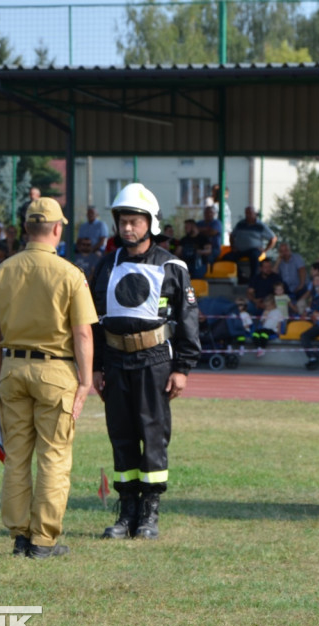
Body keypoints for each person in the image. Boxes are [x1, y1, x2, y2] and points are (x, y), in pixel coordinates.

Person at [0, 196, 97, 559]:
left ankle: (19, 536)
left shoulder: (2, 271)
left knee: (16, 457)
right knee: (54, 456)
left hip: (13, 369)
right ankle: (43, 541)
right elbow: (82, 334)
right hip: (56, 371)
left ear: (26, 229)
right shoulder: (69, 274)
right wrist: (86, 380)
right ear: (58, 229)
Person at [90, 183, 200, 541]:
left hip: (155, 361)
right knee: (121, 435)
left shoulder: (172, 265)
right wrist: (96, 367)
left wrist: (182, 368)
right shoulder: (105, 266)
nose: (127, 228)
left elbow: (187, 319)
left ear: (150, 222)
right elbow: (94, 322)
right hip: (115, 360)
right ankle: (127, 512)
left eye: (134, 221)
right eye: (122, 220)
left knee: (153, 434)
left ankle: (150, 512)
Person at [222, 206, 277, 280]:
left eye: (250, 213)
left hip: (254, 249)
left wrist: (265, 250)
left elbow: (273, 238)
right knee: (227, 257)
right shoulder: (240, 224)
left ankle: (253, 279)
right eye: (247, 213)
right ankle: (241, 276)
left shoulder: (260, 225)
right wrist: (233, 246)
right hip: (240, 250)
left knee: (254, 257)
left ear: (255, 214)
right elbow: (232, 235)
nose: (248, 215)